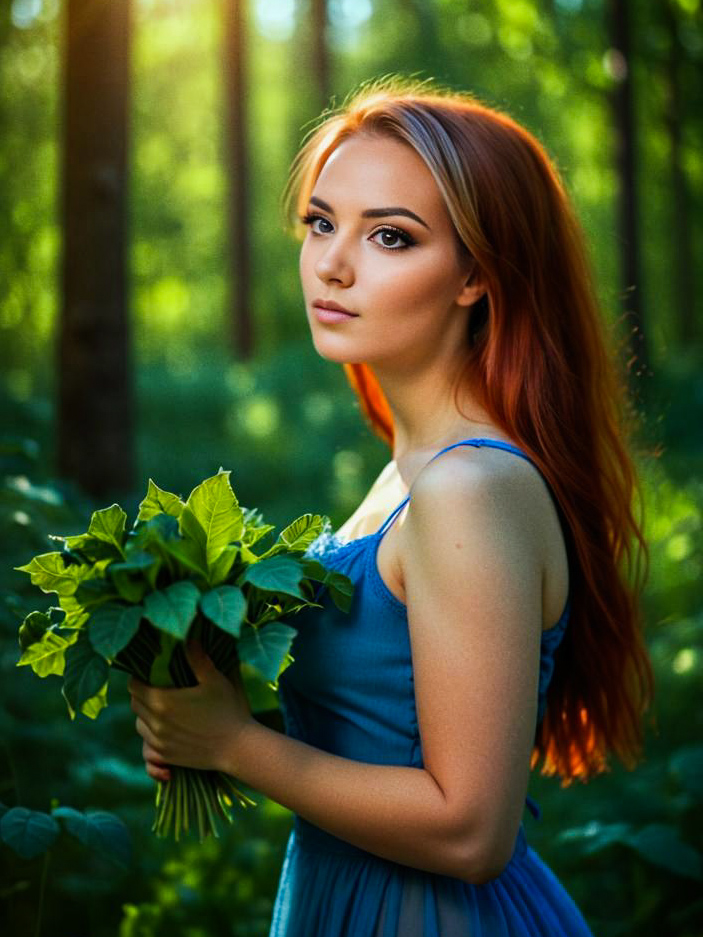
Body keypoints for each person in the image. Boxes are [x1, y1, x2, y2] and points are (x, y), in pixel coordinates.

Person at [128, 75, 655, 935]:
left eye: (390, 236)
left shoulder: (467, 488)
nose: (332, 262)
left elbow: (470, 828)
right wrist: (204, 706)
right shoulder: (406, 473)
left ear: (475, 276)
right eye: (321, 222)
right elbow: (389, 718)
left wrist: (230, 742)